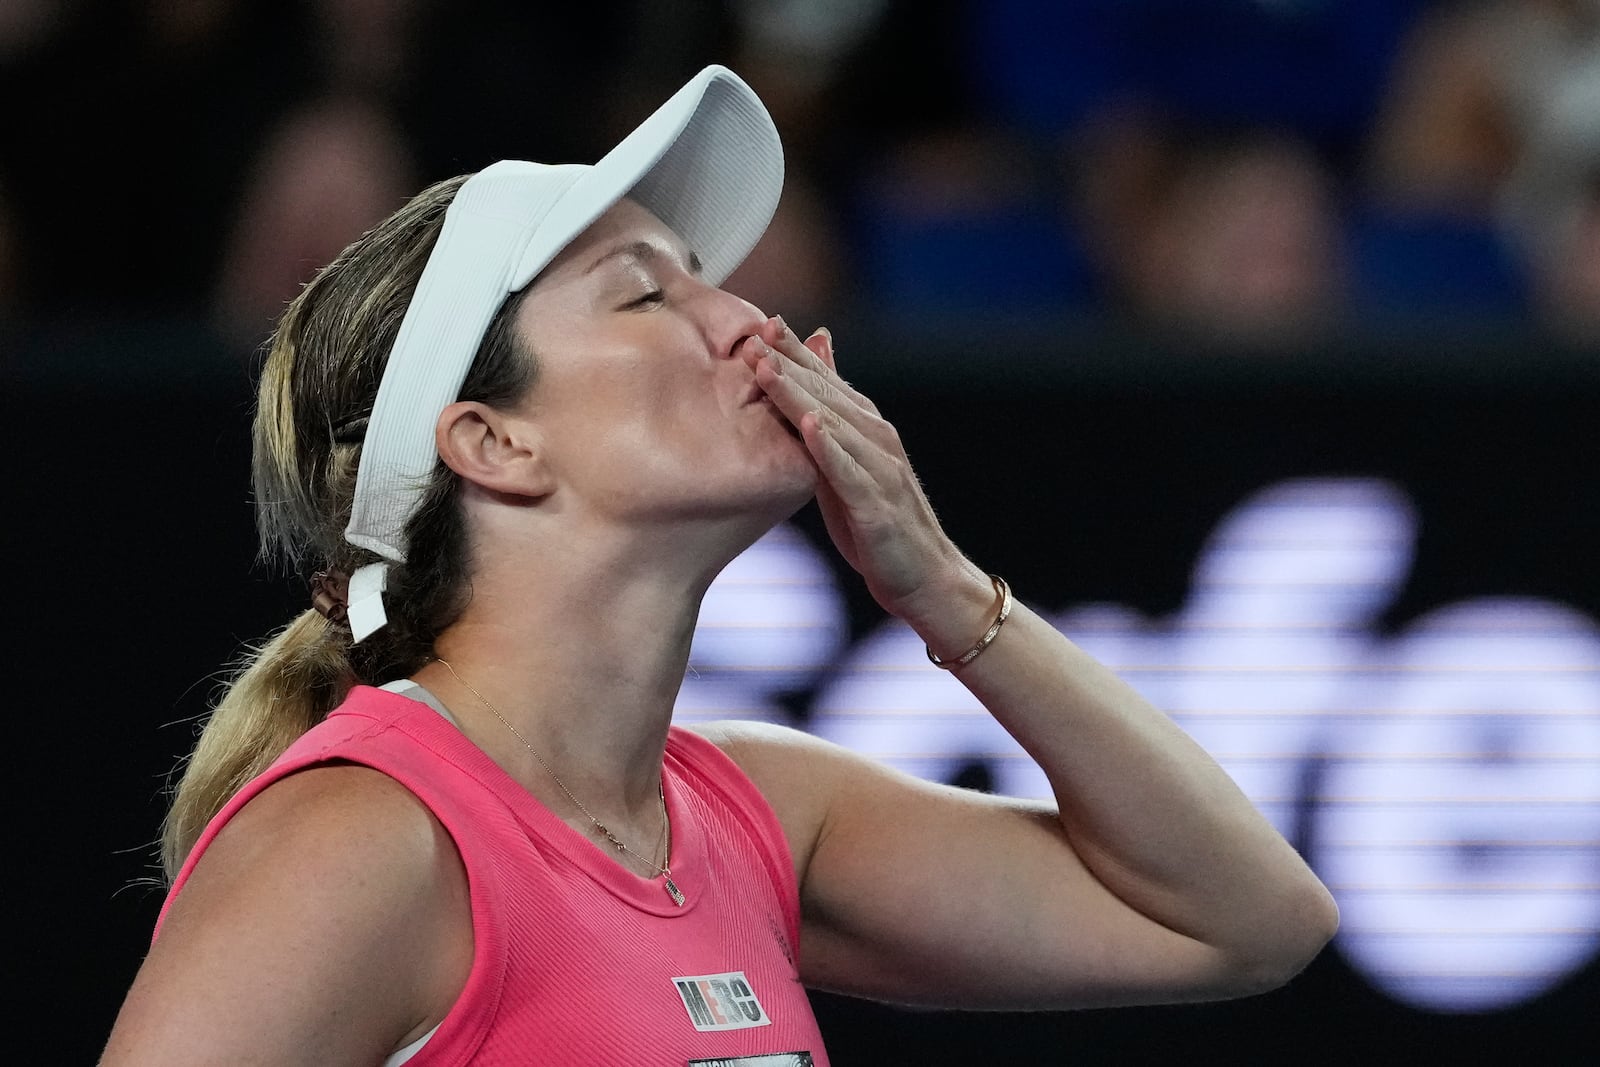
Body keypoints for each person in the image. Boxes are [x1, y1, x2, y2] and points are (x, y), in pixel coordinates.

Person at [100, 65, 1338, 1066]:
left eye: (711, 281)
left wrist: (949, 596)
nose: (747, 320)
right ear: (492, 440)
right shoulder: (362, 835)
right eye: (646, 297)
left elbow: (1249, 917)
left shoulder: (758, 813)